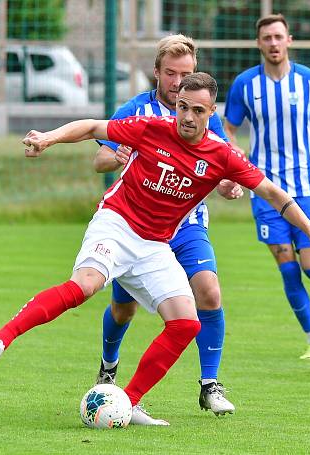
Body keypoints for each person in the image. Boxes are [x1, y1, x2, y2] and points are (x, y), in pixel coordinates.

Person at [0, 73, 310, 426]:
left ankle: (128, 402)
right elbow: (90, 127)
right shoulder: (152, 128)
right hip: (116, 224)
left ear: (211, 113)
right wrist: (49, 139)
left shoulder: (223, 155)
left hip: (154, 245)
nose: (187, 116)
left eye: (198, 110)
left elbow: (275, 195)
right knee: (85, 287)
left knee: (186, 322)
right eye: (183, 107)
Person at [92, 34, 242, 416]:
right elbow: (101, 162)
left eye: (187, 73)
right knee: (124, 310)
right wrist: (118, 155)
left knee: (208, 292)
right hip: (138, 225)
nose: (179, 82)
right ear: (157, 73)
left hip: (187, 224)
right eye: (172, 74)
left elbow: (222, 168)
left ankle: (210, 384)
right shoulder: (135, 109)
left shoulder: (206, 113)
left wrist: (228, 185)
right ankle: (109, 368)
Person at [223, 14, 310, 360]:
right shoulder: (245, 85)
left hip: (306, 186)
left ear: (289, 40)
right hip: (265, 187)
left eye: (278, 37)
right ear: (259, 43)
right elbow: (228, 128)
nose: (273, 43)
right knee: (286, 265)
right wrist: (232, 149)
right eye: (266, 37)